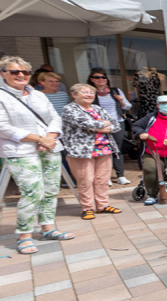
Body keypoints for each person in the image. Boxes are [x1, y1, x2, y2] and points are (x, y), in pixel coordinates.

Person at [0, 55, 73, 254]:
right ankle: (24, 235)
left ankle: (48, 227)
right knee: (33, 191)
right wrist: (38, 139)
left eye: (25, 72)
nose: (20, 75)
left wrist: (49, 138)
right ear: (3, 74)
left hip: (49, 147)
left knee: (50, 189)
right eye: (14, 72)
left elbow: (54, 117)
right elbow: (3, 127)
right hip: (21, 151)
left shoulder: (38, 94)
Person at [61, 83, 123, 219]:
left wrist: (100, 127)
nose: (89, 95)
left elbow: (116, 124)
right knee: (85, 179)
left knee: (102, 179)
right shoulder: (69, 109)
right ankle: (87, 207)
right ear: (74, 94)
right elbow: (88, 124)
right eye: (84, 92)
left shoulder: (97, 108)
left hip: (104, 148)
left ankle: (102, 205)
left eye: (91, 92)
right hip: (81, 150)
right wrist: (104, 124)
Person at [88, 68, 132, 185]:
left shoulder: (115, 91)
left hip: (117, 122)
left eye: (103, 77)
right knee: (102, 150)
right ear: (92, 80)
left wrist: (121, 101)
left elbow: (128, 106)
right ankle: (106, 176)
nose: (101, 79)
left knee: (117, 149)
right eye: (97, 77)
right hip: (100, 125)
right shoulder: (90, 93)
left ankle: (120, 175)